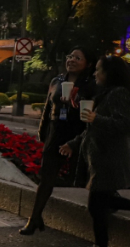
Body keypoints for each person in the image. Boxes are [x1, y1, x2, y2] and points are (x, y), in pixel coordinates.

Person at [60, 56, 130, 247]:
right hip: (99, 157)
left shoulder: (119, 94)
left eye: (98, 69)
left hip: (109, 158)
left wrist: (95, 118)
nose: (94, 74)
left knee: (96, 205)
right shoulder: (106, 94)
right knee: (103, 203)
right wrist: (73, 143)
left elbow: (124, 124)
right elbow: (92, 130)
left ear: (110, 73)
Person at [21, 46, 98, 234]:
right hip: (56, 132)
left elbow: (93, 112)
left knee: (85, 177)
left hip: (78, 133)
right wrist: (43, 132)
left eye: (78, 58)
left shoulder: (91, 84)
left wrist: (75, 101)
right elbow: (48, 108)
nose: (71, 60)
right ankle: (34, 218)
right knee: (46, 177)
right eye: (70, 56)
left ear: (87, 64)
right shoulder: (57, 80)